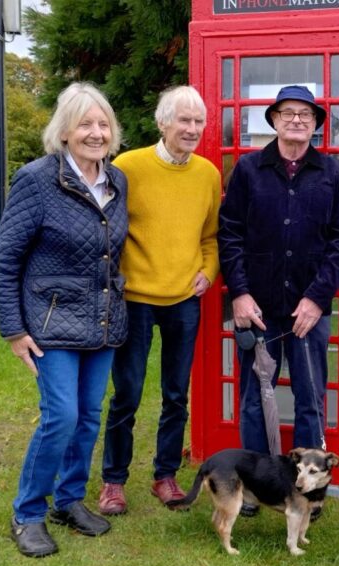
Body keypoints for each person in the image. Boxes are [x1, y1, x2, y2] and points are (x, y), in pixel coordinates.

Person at [0, 82, 127, 557]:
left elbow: (111, 252)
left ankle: (68, 500)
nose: (96, 132)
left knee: (89, 416)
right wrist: (12, 329)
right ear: (64, 131)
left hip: (103, 321)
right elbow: (5, 259)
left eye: (103, 123)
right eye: (85, 123)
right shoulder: (37, 179)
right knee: (61, 416)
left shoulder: (116, 180)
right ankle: (27, 512)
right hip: (50, 323)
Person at [218, 85, 339, 516]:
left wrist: (317, 298)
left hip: (307, 310)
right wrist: (239, 293)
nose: (297, 121)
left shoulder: (330, 171)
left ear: (316, 125)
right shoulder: (249, 169)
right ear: (273, 121)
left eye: (305, 115)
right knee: (255, 397)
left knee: (310, 397)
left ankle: (309, 492)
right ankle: (256, 488)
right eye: (288, 113)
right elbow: (230, 234)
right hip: (256, 307)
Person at [98, 86, 221, 515]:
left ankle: (164, 475)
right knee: (127, 392)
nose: (192, 129)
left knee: (176, 393)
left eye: (198, 122)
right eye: (183, 120)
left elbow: (210, 236)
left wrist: (209, 269)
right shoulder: (128, 166)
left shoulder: (207, 173)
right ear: (162, 123)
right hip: (134, 297)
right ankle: (113, 481)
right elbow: (104, 228)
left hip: (184, 297)